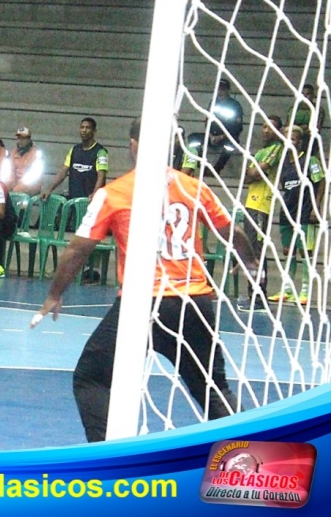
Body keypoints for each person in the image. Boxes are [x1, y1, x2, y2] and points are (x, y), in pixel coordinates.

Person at [30, 116, 259, 443]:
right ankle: (257, 467)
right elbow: (231, 233)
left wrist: (54, 293)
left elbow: (77, 250)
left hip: (143, 305)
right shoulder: (192, 187)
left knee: (91, 378)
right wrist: (251, 262)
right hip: (195, 304)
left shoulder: (115, 193)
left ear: (133, 145)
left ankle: (110, 461)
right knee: (213, 388)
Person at [268, 125, 324, 306]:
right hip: (287, 212)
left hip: (305, 212)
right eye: (286, 138)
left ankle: (305, 291)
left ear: (299, 142)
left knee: (305, 252)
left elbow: (321, 182)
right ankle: (287, 289)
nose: (288, 142)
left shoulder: (311, 160)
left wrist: (316, 207)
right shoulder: (284, 163)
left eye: (292, 139)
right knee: (288, 251)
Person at [237, 115, 284, 312]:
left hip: (261, 206)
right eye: (263, 126)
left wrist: (253, 171)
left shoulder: (277, 148)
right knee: (251, 249)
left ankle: (259, 298)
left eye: (269, 127)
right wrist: (252, 172)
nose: (265, 130)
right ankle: (253, 294)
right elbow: (247, 176)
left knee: (257, 250)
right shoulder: (260, 152)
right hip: (250, 203)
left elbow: (256, 173)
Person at [40, 117, 109, 201]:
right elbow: (63, 172)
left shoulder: (101, 152)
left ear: (94, 131)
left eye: (88, 128)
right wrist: (49, 189)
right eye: (82, 127)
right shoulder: (74, 150)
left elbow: (101, 176)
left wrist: (95, 194)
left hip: (89, 200)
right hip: (74, 200)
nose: (84, 130)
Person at [210, 77, 244, 174]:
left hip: (227, 137)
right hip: (213, 136)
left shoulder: (235, 105)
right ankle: (201, 167)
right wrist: (211, 136)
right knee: (194, 139)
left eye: (223, 89)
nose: (220, 91)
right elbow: (207, 121)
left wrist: (221, 137)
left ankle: (216, 169)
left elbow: (238, 127)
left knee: (231, 144)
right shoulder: (213, 103)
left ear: (228, 90)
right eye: (219, 89)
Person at [285, 83, 326, 154]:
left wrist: (297, 128)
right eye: (303, 94)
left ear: (313, 95)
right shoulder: (294, 109)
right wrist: (303, 127)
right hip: (294, 140)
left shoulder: (318, 110)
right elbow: (288, 127)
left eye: (308, 94)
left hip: (310, 142)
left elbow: (315, 129)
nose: (305, 97)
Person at [9, 127, 44, 197]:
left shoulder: (36, 154)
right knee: (3, 187)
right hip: (17, 183)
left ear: (29, 139)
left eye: (23, 138)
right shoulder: (13, 152)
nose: (20, 141)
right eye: (19, 138)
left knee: (17, 190)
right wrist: (11, 182)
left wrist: (18, 184)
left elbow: (34, 176)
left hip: (32, 184)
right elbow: (10, 171)